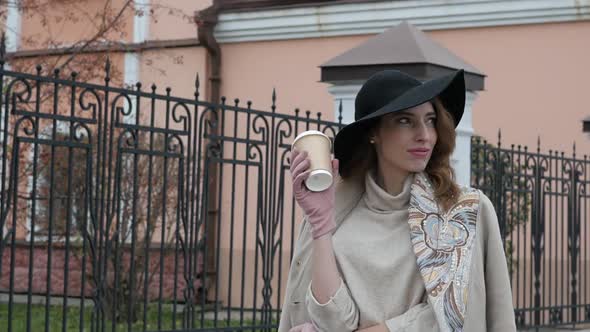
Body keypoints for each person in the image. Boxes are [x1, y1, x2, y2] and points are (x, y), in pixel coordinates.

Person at [278, 69, 516, 332]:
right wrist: (320, 224)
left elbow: (456, 315)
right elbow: (332, 322)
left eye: (430, 120)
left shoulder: (463, 212)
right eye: (405, 121)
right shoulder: (336, 214)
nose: (424, 134)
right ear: (373, 133)